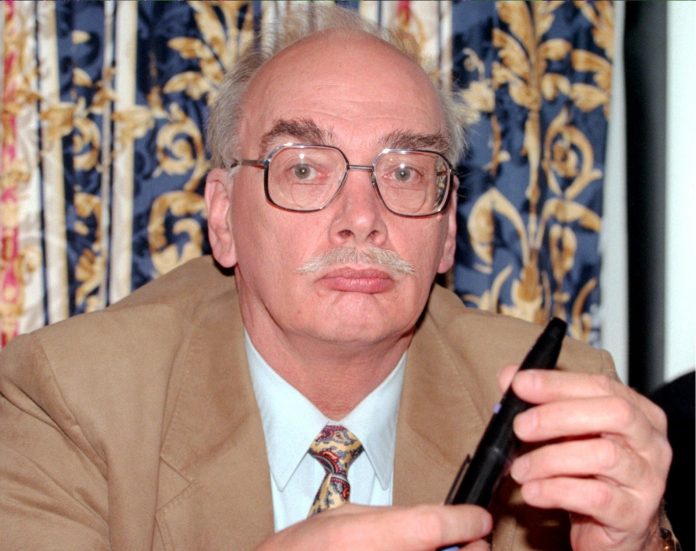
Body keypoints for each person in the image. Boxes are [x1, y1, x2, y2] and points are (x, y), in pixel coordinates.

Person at [0, 5, 675, 551]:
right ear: (223, 218)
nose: (362, 219)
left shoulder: (554, 412)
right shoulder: (70, 399)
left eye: (404, 172)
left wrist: (636, 544)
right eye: (303, 169)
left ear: (447, 230)